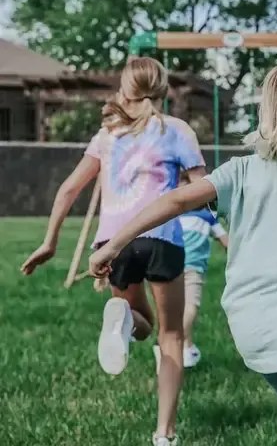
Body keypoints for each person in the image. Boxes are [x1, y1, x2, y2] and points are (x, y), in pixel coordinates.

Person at [89, 63, 277, 446]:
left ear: (269, 112)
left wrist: (113, 244)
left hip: (253, 331)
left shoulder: (242, 171)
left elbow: (177, 199)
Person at [21, 57, 206, 446]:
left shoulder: (107, 135)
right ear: (162, 87)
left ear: (126, 88)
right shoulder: (177, 131)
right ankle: (164, 435)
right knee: (170, 336)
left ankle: (122, 318)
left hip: (112, 246)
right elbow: (200, 190)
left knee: (139, 319)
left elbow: (69, 189)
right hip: (163, 240)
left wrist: (49, 241)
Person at [153, 173, 229, 373]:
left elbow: (227, 242)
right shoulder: (176, 217)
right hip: (182, 268)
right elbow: (227, 243)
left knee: (184, 310)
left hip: (186, 268)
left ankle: (186, 348)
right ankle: (166, 345)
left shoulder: (207, 218)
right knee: (189, 309)